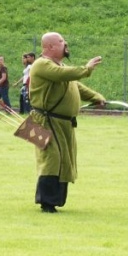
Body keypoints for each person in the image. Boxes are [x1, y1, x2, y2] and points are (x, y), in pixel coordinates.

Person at [28, 31, 105, 213]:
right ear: (50, 47)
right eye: (62, 41)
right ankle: (46, 202)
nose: (66, 44)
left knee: (63, 161)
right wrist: (86, 69)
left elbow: (74, 85)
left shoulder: (59, 67)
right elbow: (63, 74)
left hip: (62, 124)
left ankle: (55, 201)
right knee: (51, 159)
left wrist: (96, 97)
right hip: (44, 122)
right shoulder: (41, 65)